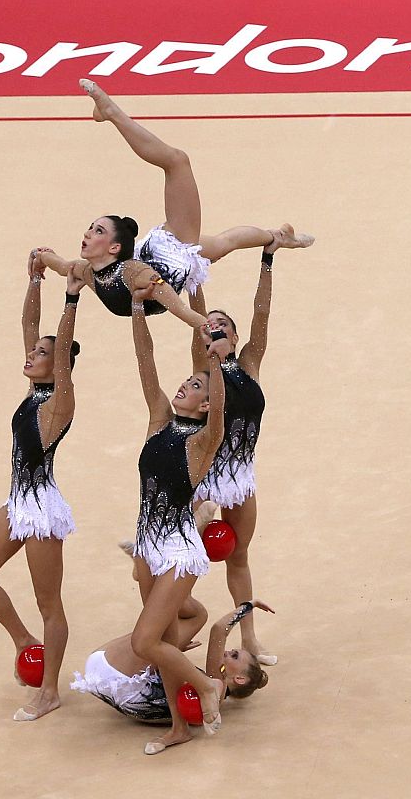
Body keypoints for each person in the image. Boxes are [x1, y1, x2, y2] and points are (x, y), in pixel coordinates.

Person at [30, 80, 313, 327]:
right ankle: (279, 238)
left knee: (189, 182)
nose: (87, 233)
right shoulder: (117, 273)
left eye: (96, 230)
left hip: (163, 251)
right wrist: (207, 327)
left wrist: (42, 257)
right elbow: (177, 308)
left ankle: (278, 238)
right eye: (95, 230)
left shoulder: (107, 272)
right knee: (189, 183)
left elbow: (64, 265)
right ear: (114, 248)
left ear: (115, 248)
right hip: (167, 254)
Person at [0, 253, 84, 719]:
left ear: (62, 368)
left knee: (49, 603)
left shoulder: (59, 402)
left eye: (42, 355)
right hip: (18, 501)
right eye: (32, 353)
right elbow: (29, 322)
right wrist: (35, 280)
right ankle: (22, 639)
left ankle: (49, 690)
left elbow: (62, 344)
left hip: (43, 511)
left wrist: (71, 297)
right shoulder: (36, 390)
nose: (31, 356)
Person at [119, 283, 232, 754]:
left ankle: (207, 686)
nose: (187, 384)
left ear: (204, 404)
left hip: (179, 550)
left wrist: (216, 364)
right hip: (147, 544)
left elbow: (221, 410)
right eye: (187, 381)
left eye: (196, 386)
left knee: (146, 641)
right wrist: (136, 311)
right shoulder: (159, 420)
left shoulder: (202, 441)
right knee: (163, 638)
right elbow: (146, 367)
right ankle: (178, 729)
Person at [189, 242, 286, 666]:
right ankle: (176, 621)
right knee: (183, 554)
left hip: (240, 474)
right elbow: (198, 314)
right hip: (206, 472)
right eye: (208, 324)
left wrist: (267, 261)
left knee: (240, 556)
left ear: (235, 335)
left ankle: (248, 636)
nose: (214, 328)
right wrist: (193, 276)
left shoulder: (249, 363)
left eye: (222, 325)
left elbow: (260, 315)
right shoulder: (202, 361)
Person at [71, 598, 274, 755]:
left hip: (115, 678)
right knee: (166, 629)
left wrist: (249, 605)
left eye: (235, 656)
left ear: (239, 679)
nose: (228, 652)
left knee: (196, 616)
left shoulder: (216, 687)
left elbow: (218, 630)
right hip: (110, 681)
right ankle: (162, 578)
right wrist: (171, 653)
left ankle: (161, 574)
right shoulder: (206, 690)